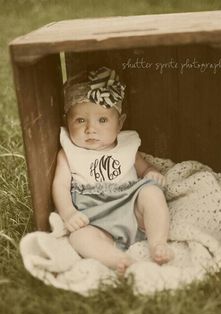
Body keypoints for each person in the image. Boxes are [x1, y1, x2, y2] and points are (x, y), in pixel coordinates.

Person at [52, 67, 174, 275]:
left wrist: (151, 172)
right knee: (79, 237)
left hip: (132, 208)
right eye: (80, 120)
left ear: (120, 123)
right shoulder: (68, 153)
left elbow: (145, 168)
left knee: (152, 193)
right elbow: (60, 185)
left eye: (102, 120)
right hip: (94, 217)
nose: (91, 129)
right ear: (67, 121)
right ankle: (118, 259)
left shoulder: (126, 146)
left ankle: (158, 243)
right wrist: (69, 213)